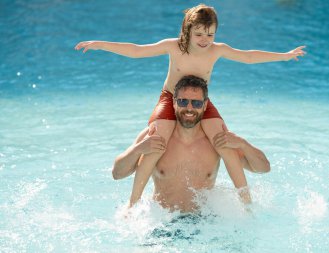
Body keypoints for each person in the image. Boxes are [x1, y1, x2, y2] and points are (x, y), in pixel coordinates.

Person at [75, 4, 304, 206]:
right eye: (199, 35)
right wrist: (101, 44)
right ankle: (133, 204)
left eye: (210, 35)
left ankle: (246, 203)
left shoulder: (218, 49)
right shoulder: (174, 46)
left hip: (200, 100)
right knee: (156, 142)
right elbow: (137, 50)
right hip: (170, 98)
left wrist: (283, 56)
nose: (205, 40)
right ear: (188, 31)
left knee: (223, 141)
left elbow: (249, 57)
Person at [112, 75, 270, 212]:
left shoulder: (217, 141)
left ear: (205, 105)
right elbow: (117, 174)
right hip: (164, 220)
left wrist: (244, 144)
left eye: (196, 103)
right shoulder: (155, 137)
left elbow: (263, 168)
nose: (189, 108)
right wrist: (136, 149)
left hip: (203, 220)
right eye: (183, 101)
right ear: (174, 102)